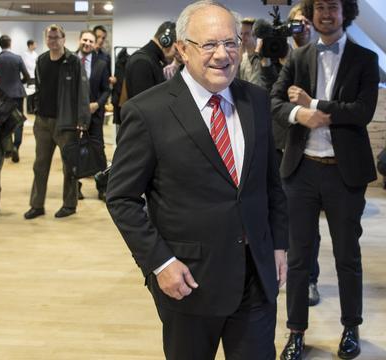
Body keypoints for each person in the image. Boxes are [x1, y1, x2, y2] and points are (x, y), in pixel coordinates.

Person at [106, 1, 288, 358]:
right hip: (189, 282)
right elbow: (122, 199)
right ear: (182, 49)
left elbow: (270, 184)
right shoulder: (148, 112)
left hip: (256, 277)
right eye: (209, 45)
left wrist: (279, 243)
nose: (223, 54)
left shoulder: (257, 101)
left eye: (231, 43)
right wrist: (160, 262)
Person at [271, 0, 379, 359]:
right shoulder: (298, 58)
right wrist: (300, 112)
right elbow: (275, 102)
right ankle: (296, 332)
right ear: (311, 12)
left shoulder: (365, 59)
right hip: (301, 171)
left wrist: (314, 103)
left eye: (333, 6)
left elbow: (362, 112)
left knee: (347, 255)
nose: (326, 14)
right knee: (299, 257)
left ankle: (351, 328)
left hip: (344, 174)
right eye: (319, 7)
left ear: (344, 12)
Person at [260, 3, 323, 308]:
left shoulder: (321, 56)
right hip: (277, 143)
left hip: (307, 148)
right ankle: (278, 270)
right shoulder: (278, 55)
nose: (303, 28)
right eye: (297, 24)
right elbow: (266, 96)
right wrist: (267, 61)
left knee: (307, 224)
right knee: (277, 215)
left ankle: (309, 278)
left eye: (307, 23)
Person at [24, 24, 89, 220]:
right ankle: (37, 205)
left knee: (69, 166)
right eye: (49, 38)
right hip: (43, 121)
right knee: (40, 165)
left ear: (63, 39)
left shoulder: (73, 62)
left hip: (66, 123)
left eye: (56, 37)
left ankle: (69, 204)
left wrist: (82, 120)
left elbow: (82, 92)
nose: (53, 41)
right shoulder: (42, 60)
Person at [77, 30, 111, 201]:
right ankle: (75, 187)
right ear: (79, 40)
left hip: (95, 114)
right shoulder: (70, 61)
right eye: (85, 40)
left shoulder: (101, 63)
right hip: (75, 116)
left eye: (90, 41)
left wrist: (97, 104)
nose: (87, 43)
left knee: (98, 151)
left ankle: (103, 187)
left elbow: (107, 89)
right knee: (75, 151)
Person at [0, 35, 30, 163]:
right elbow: (27, 77)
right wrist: (19, 82)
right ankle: (16, 146)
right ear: (10, 43)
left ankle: (7, 147)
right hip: (17, 94)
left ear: (0, 44)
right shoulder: (17, 58)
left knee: (3, 122)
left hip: (1, 97)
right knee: (18, 120)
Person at [124, 21, 177, 100]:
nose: (175, 54)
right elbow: (143, 104)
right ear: (166, 41)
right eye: (176, 48)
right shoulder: (142, 62)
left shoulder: (152, 60)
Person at [237, 17, 264, 87]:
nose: (242, 37)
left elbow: (254, 87)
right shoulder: (243, 58)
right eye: (241, 33)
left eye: (246, 34)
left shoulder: (261, 59)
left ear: (255, 35)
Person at [22, 40, 39, 115]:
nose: (36, 46)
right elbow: (28, 65)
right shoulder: (25, 54)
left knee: (35, 93)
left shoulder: (35, 54)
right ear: (30, 45)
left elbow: (37, 63)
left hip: (35, 75)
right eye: (35, 44)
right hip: (29, 76)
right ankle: (29, 109)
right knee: (30, 93)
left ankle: (34, 108)